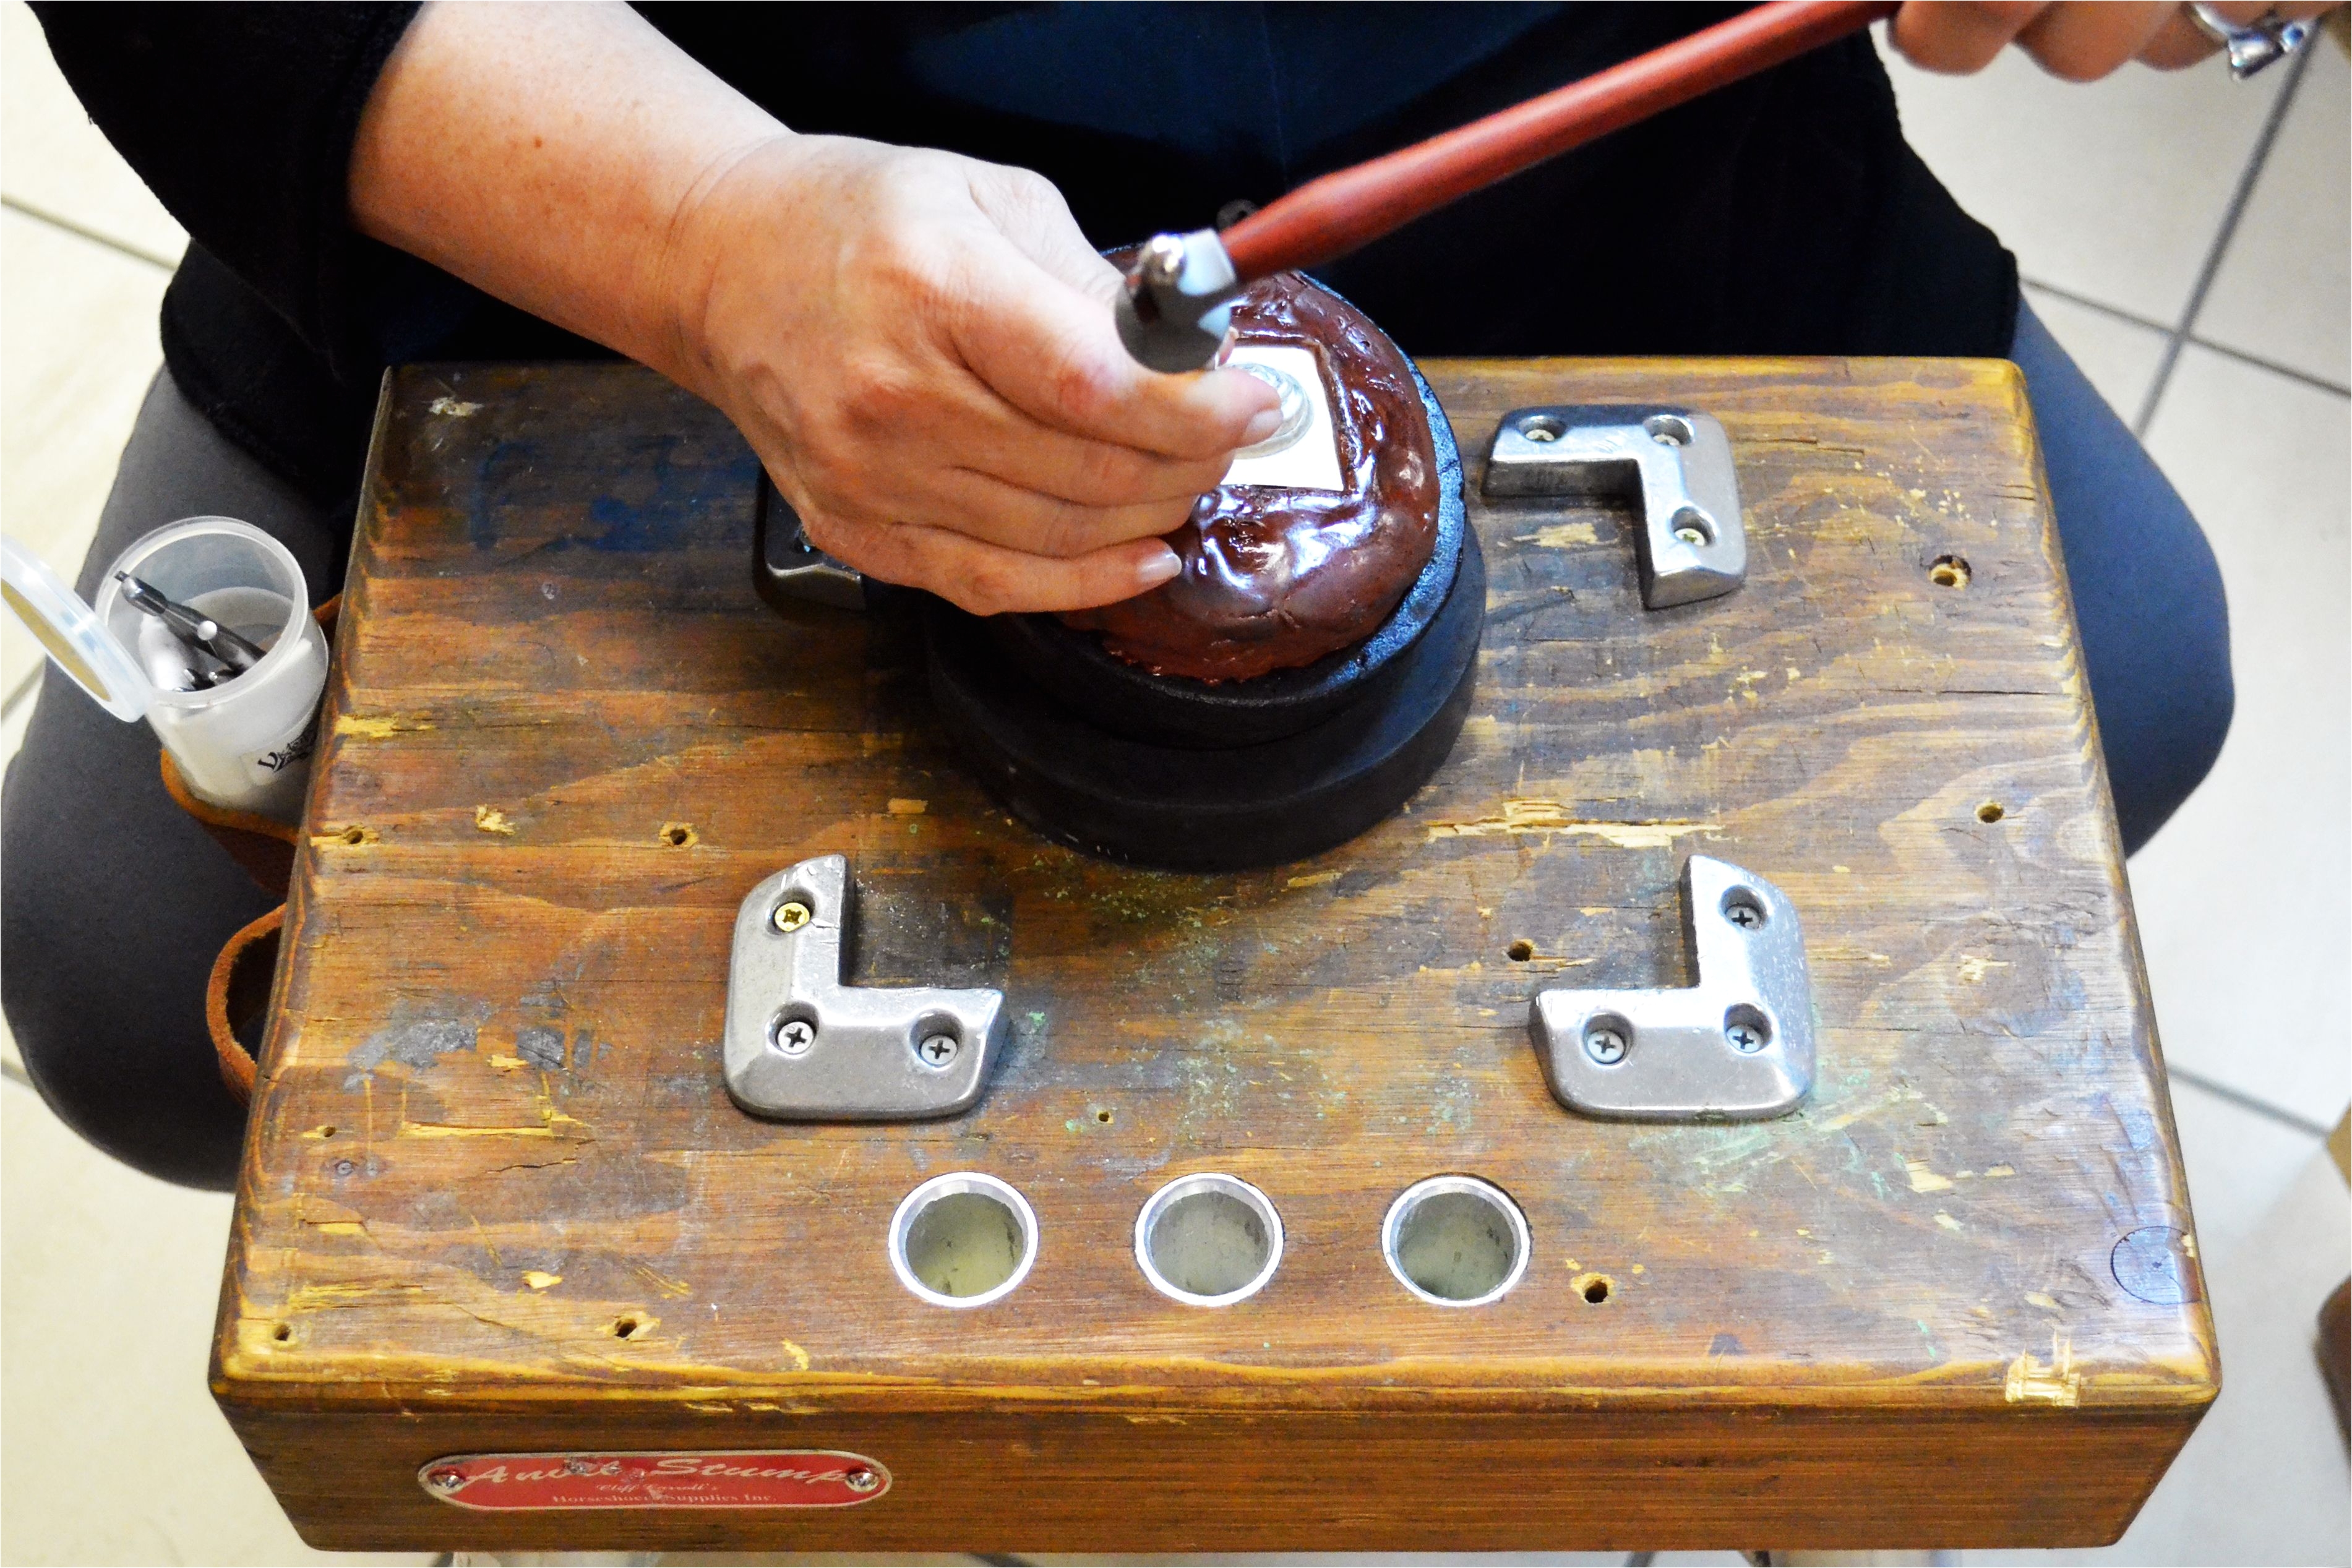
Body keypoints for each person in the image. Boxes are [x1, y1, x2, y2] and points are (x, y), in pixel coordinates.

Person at [6, 1, 2305, 1188]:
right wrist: (704, 242)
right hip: (624, 157)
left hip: (1609, 148)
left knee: (2123, 673)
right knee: (142, 977)